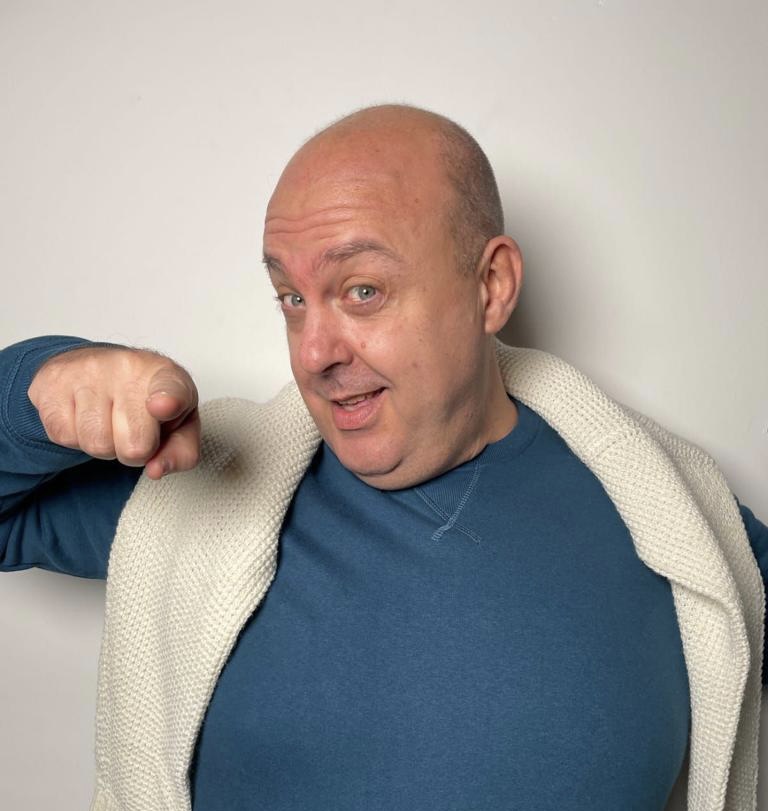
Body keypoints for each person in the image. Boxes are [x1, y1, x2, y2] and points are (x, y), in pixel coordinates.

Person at [1, 104, 766, 811]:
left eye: (362, 290)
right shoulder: (205, 492)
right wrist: (43, 383)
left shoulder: (676, 522)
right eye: (292, 298)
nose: (313, 353)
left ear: (491, 285)